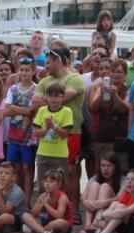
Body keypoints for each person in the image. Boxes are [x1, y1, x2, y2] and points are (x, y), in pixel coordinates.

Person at [34, 48, 85, 223]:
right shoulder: (46, 80)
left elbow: (65, 98)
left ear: (59, 60)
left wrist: (53, 126)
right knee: (45, 180)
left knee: (70, 173)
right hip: (46, 146)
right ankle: (46, 212)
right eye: (50, 95)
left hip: (73, 132)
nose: (45, 64)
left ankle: (73, 209)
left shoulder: (74, 78)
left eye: (49, 61)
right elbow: (35, 100)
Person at [5, 57, 37, 205]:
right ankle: (14, 199)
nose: (24, 73)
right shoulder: (13, 89)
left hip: (28, 135)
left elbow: (32, 111)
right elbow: (7, 109)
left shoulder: (36, 89)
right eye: (22, 70)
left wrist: (16, 109)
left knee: (27, 168)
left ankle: (27, 200)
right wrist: (24, 110)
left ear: (33, 71)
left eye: (27, 70)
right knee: (13, 167)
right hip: (13, 134)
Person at [33, 81, 72, 193]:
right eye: (50, 95)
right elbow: (36, 133)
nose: (53, 98)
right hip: (43, 154)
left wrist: (54, 126)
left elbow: (65, 134)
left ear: (63, 97)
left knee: (59, 187)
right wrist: (45, 129)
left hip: (59, 155)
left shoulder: (67, 111)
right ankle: (44, 209)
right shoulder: (42, 110)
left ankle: (60, 209)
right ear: (46, 97)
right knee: (43, 186)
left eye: (57, 95)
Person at [79, 152, 125, 233]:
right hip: (93, 208)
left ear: (115, 167)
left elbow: (120, 198)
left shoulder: (122, 179)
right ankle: (87, 225)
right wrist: (85, 201)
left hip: (108, 214)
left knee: (105, 187)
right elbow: (83, 195)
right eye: (103, 166)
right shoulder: (95, 177)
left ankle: (96, 224)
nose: (105, 169)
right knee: (94, 185)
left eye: (109, 166)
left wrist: (101, 203)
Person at [22, 169, 73, 233]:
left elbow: (59, 216)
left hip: (62, 224)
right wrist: (41, 204)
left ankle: (36, 230)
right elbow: (33, 213)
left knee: (60, 222)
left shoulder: (62, 197)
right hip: (47, 221)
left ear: (59, 184)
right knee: (25, 215)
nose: (47, 184)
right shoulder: (43, 195)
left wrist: (46, 204)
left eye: (51, 181)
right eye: (45, 181)